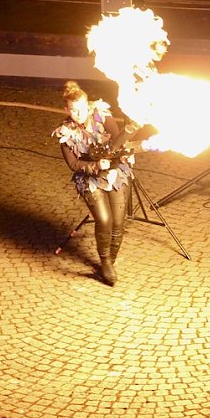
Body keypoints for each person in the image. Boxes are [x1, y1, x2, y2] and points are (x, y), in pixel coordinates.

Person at [53, 80, 139, 286]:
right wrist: (94, 167)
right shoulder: (65, 133)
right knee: (104, 219)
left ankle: (112, 260)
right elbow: (73, 164)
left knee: (119, 221)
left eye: (82, 109)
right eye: (74, 110)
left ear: (88, 105)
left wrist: (120, 154)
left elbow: (118, 141)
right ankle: (105, 262)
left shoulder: (102, 116)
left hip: (115, 173)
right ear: (66, 109)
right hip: (90, 179)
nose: (79, 114)